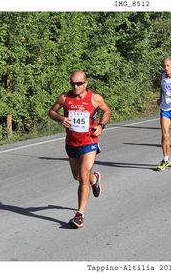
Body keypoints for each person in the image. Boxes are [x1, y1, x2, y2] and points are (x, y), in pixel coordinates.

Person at [48, 71, 111, 228]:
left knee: (83, 176)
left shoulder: (95, 98)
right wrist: (61, 119)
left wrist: (101, 126)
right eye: (73, 84)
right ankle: (95, 180)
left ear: (86, 83)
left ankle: (79, 215)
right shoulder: (65, 98)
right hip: (71, 142)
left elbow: (107, 111)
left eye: (79, 84)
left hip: (89, 141)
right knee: (78, 177)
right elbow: (51, 112)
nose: (75, 87)